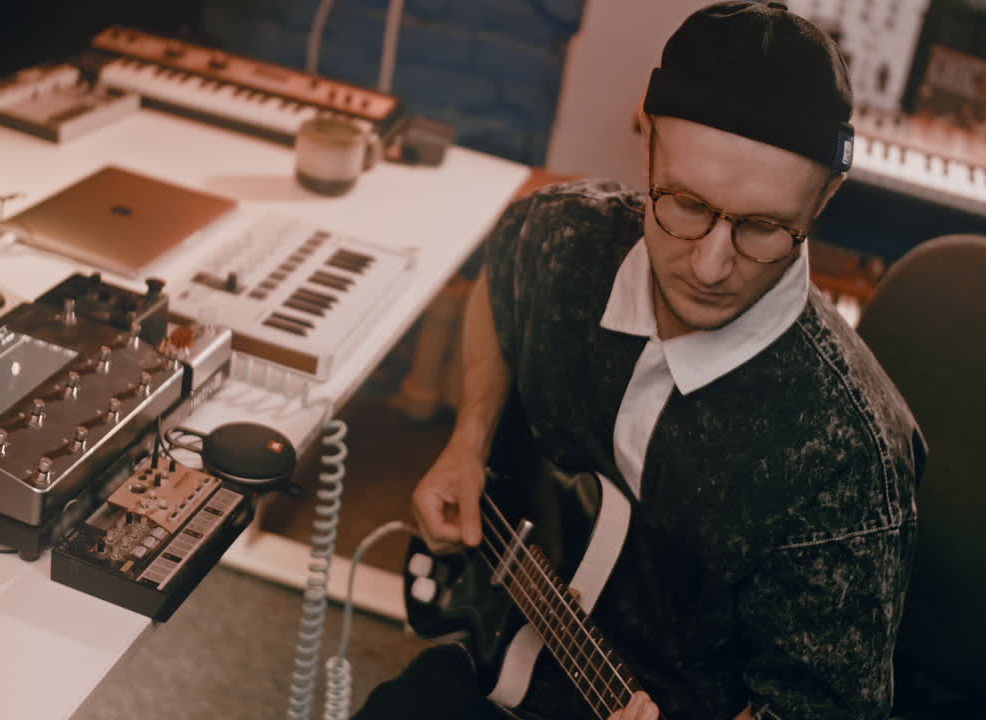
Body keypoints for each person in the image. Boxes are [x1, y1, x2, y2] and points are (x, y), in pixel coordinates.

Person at [355, 2, 925, 719]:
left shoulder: (850, 460)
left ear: (825, 199)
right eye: (685, 203)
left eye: (763, 227)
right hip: (504, 650)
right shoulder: (561, 233)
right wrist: (468, 441)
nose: (713, 266)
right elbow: (501, 285)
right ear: (644, 134)